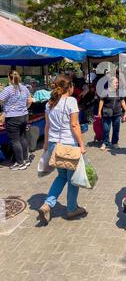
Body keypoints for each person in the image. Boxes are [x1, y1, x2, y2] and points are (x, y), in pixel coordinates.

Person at [38, 75, 87, 225]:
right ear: (70, 87)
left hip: (54, 145)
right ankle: (71, 208)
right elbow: (75, 125)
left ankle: (48, 204)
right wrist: (82, 144)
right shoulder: (71, 101)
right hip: (68, 146)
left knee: (61, 176)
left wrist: (46, 144)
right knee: (72, 179)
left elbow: (47, 126)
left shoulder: (49, 103)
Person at [0, 71, 33, 171]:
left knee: (15, 141)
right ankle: (26, 160)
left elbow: (0, 100)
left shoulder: (8, 89)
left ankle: (20, 163)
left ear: (9, 78)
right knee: (22, 138)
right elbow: (30, 101)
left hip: (12, 117)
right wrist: (24, 108)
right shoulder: (24, 88)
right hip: (24, 115)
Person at [98, 76, 126, 151]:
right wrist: (99, 111)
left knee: (116, 128)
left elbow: (122, 102)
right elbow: (101, 101)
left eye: (117, 83)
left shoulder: (120, 91)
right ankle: (105, 142)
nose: (117, 84)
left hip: (117, 113)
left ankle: (115, 143)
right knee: (106, 129)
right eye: (116, 83)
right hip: (106, 112)